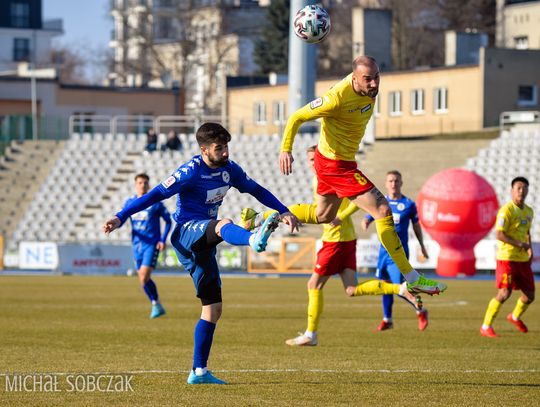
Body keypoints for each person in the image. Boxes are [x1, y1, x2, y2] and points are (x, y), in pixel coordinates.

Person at [103, 122, 299, 385]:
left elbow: (257, 190)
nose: (226, 152)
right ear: (204, 150)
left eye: (227, 146)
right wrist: (120, 216)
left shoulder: (230, 170)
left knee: (213, 309)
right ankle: (253, 239)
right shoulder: (190, 171)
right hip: (186, 233)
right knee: (223, 224)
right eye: (220, 148)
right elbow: (155, 194)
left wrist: (284, 209)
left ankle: (199, 372)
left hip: (203, 243)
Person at [278, 55, 446, 296]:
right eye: (368, 79)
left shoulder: (367, 91)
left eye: (377, 77)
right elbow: (296, 117)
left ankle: (267, 215)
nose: (374, 84)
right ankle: (412, 278)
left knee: (324, 214)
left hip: (337, 161)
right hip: (336, 165)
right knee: (383, 210)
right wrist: (286, 150)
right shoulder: (335, 98)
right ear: (354, 78)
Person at [240, 147, 423, 346]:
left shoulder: (326, 177)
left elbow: (355, 201)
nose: (312, 163)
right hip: (347, 239)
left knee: (314, 285)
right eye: (309, 160)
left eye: (314, 159)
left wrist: (339, 217)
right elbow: (325, 209)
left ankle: (311, 334)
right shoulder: (325, 177)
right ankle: (400, 288)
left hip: (335, 241)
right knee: (352, 289)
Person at [362, 170, 429, 331]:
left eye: (396, 181)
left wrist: (422, 245)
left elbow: (416, 226)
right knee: (385, 285)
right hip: (383, 253)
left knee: (399, 287)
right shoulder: (381, 201)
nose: (393, 184)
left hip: (398, 253)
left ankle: (420, 309)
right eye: (390, 181)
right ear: (386, 184)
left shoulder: (408, 204)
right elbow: (370, 215)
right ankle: (387, 319)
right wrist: (365, 220)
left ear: (401, 183)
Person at [480, 176, 534, 338]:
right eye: (518, 188)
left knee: (530, 295)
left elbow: (527, 232)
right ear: (512, 191)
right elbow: (499, 235)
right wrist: (520, 245)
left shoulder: (529, 211)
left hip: (522, 259)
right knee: (504, 293)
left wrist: (529, 248)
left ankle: (515, 316)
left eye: (524, 188)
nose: (521, 191)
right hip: (507, 258)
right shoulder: (506, 210)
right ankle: (486, 326)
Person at [123, 173, 172, 319]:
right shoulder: (130, 202)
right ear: (135, 184)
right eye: (140, 183)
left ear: (149, 185)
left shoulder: (156, 203)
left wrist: (162, 240)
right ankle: (156, 304)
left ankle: (156, 304)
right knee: (142, 279)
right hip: (136, 245)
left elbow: (168, 221)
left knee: (144, 277)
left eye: (145, 183)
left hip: (151, 244)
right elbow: (123, 217)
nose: (142, 185)